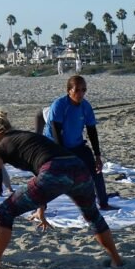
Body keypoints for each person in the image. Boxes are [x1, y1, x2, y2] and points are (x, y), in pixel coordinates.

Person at [0, 108, 124, 269]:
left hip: (55, 171)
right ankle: (116, 259)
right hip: (79, 168)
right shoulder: (26, 137)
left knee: (5, 211)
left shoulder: (4, 145)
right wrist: (41, 210)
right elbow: (40, 174)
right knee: (92, 216)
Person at [47, 75, 114, 210]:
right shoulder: (59, 105)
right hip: (54, 146)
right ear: (69, 90)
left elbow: (92, 131)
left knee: (96, 170)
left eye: (84, 90)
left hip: (76, 145)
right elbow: (56, 131)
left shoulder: (85, 106)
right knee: (51, 177)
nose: (81, 93)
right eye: (77, 90)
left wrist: (98, 155)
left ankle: (103, 203)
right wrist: (61, 156)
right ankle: (41, 207)